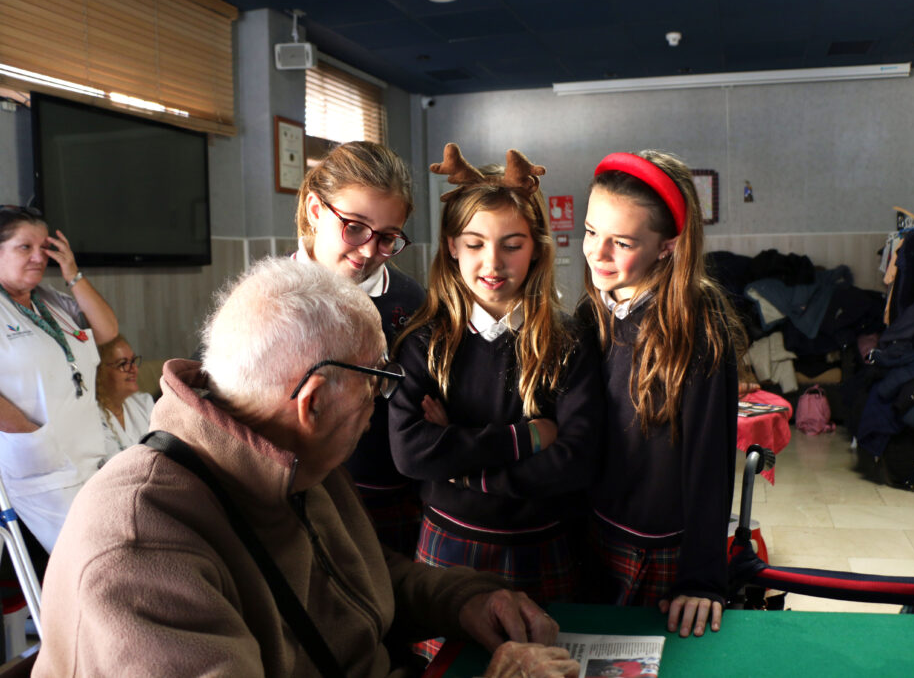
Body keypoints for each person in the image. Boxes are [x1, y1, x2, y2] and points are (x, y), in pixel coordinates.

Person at [33, 258, 578, 677]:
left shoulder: (285, 457)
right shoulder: (138, 550)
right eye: (377, 384)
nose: (379, 407)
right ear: (312, 401)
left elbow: (359, 578)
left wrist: (468, 601)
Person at [389, 144, 603, 613]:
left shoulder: (567, 340)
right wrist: (529, 437)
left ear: (536, 248)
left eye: (513, 244)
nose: (493, 263)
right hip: (446, 551)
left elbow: (576, 461)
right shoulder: (425, 342)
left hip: (543, 547)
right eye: (475, 244)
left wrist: (459, 459)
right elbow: (411, 452)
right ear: (451, 247)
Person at [578, 151, 744, 637]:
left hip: (659, 554)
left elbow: (709, 464)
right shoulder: (595, 312)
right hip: (592, 535)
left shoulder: (697, 328)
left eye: (622, 242)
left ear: (667, 246)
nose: (597, 253)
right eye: (591, 231)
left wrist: (703, 579)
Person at [295, 140, 426, 556]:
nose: (370, 251)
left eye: (389, 237)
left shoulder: (415, 305)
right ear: (316, 210)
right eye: (354, 227)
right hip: (290, 498)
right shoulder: (265, 295)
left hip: (390, 500)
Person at [0, 204, 118, 553]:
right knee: (94, 559)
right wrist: (34, 437)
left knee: (124, 546)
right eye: (25, 247)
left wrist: (73, 273)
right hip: (42, 467)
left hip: (91, 454)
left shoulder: (51, 301)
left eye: (45, 248)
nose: (39, 257)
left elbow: (108, 330)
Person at [96, 334, 154, 458]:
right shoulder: (92, 418)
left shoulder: (144, 403)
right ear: (99, 371)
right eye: (123, 364)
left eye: (133, 361)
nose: (134, 369)